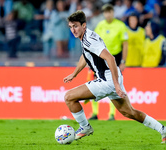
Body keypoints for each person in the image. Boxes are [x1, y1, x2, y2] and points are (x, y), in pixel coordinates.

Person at [64, 10, 166, 143]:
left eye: (75, 26)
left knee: (69, 97)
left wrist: (116, 85)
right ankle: (162, 129)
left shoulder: (89, 40)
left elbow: (111, 59)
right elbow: (85, 55)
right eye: (71, 27)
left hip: (107, 80)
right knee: (129, 112)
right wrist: (74, 74)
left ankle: (84, 127)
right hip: (111, 77)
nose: (73, 30)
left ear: (84, 25)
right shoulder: (86, 37)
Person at [93, 4, 128, 120]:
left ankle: (112, 114)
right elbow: (94, 43)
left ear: (113, 12)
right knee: (95, 82)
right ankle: (94, 113)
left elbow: (125, 44)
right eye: (106, 12)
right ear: (103, 13)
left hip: (115, 57)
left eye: (110, 12)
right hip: (100, 58)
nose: (108, 14)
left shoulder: (120, 26)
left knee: (114, 84)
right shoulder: (100, 25)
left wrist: (123, 61)